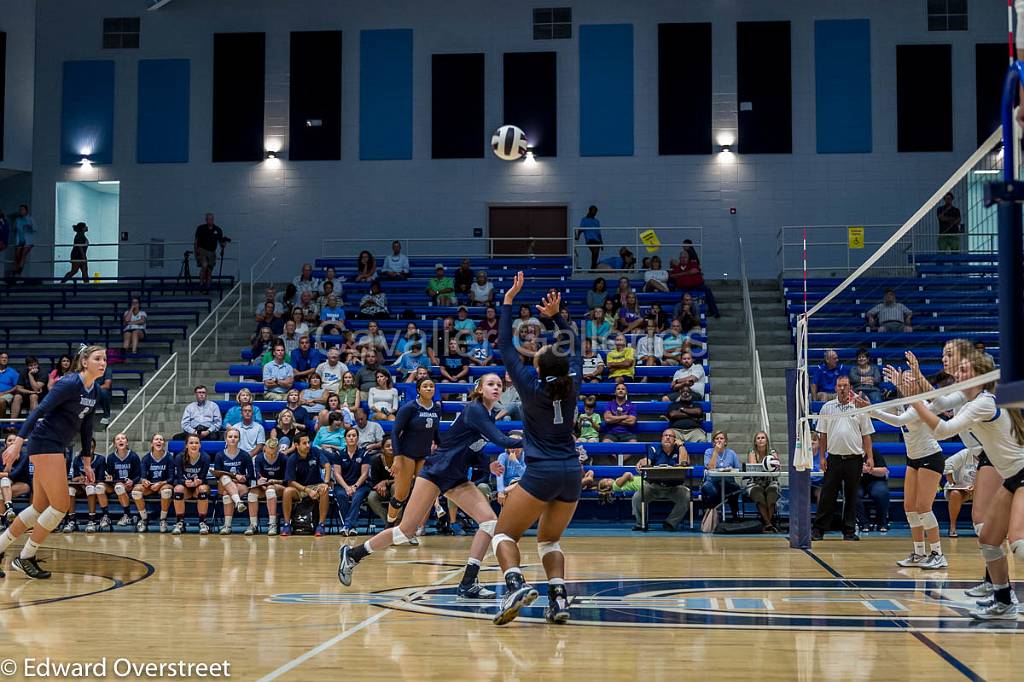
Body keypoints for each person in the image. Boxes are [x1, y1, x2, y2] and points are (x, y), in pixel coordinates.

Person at [338, 373, 519, 600]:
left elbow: (471, 448)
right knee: (405, 531)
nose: (496, 387)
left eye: (499, 385)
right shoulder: (475, 410)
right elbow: (502, 441)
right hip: (436, 471)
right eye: (491, 384)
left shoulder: (488, 415)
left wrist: (488, 465)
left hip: (455, 476)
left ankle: (468, 582)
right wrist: (535, 440)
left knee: (490, 522)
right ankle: (353, 554)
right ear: (480, 389)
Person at [488, 276, 584, 625]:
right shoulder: (573, 382)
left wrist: (509, 300)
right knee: (548, 541)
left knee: (503, 534)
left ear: (539, 367)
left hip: (541, 471)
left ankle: (515, 584)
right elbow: (576, 349)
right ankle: (558, 600)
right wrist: (557, 318)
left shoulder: (529, 386)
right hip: (571, 474)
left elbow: (503, 344)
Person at [910, 351, 1024, 619]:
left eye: (963, 370)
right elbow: (942, 401)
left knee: (1017, 541)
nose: (957, 375)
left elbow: (943, 430)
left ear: (978, 376)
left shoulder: (983, 402)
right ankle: (1004, 602)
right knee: (988, 538)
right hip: (1011, 477)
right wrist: (916, 385)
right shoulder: (969, 396)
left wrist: (916, 404)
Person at [0, 345, 105, 578]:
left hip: (57, 446)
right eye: (98, 358)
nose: (103, 362)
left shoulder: (95, 391)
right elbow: (38, 412)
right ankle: (26, 556)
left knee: (39, 507)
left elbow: (87, 427)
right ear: (85, 362)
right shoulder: (68, 383)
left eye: (105, 359)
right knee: (59, 506)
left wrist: (87, 462)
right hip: (44, 442)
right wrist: (18, 442)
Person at [855, 366, 945, 566]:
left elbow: (898, 422)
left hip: (931, 456)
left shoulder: (922, 405)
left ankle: (938, 554)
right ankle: (919, 553)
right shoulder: (901, 403)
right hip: (913, 459)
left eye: (907, 379)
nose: (903, 382)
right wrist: (866, 406)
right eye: (901, 379)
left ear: (915, 383)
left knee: (923, 507)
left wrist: (871, 410)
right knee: (910, 507)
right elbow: (882, 412)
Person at [811, 376, 875, 542]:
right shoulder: (827, 408)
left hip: (854, 459)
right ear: (835, 388)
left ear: (850, 387)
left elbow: (866, 434)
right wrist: (822, 458)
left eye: (845, 386)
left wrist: (870, 457)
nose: (842, 388)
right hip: (833, 458)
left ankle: (849, 531)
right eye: (839, 386)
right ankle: (818, 530)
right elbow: (822, 435)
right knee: (827, 496)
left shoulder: (859, 407)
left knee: (852, 496)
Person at [632, 430, 690, 532]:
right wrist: (641, 463)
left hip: (674, 487)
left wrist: (681, 446)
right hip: (654, 486)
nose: (667, 437)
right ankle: (641, 523)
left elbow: (684, 463)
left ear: (675, 440)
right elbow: (647, 460)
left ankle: (671, 523)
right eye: (665, 435)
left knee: (687, 495)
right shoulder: (654, 449)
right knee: (637, 497)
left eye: (670, 436)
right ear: (661, 438)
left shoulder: (680, 450)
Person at [281, 433, 332, 537]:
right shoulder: (292, 459)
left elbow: (327, 465)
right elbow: (290, 482)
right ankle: (286, 525)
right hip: (300, 488)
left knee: (324, 489)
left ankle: (321, 525)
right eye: (304, 443)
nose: (308, 445)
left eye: (308, 442)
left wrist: (325, 482)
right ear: (296, 445)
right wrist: (307, 490)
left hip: (315, 485)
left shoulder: (315, 451)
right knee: (287, 491)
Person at [211, 427, 255, 535]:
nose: (233, 439)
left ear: (239, 439)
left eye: (235, 437)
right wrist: (233, 477)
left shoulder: (245, 455)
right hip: (223, 484)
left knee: (227, 494)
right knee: (225, 478)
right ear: (226, 438)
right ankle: (239, 502)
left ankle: (227, 526)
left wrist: (243, 477)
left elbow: (251, 475)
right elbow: (217, 475)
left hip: (240, 486)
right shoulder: (219, 455)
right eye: (230, 437)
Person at [329, 427, 371, 536]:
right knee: (341, 495)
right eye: (349, 436)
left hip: (360, 485)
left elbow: (364, 474)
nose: (351, 438)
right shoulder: (338, 454)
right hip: (343, 485)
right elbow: (337, 474)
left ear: (358, 438)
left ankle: (347, 525)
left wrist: (355, 486)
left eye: (354, 435)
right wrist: (347, 487)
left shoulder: (364, 454)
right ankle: (352, 527)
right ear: (345, 439)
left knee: (357, 496)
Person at [171, 434, 211, 535]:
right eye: (191, 443)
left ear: (200, 445)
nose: (194, 445)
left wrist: (199, 481)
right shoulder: (179, 457)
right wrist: (185, 482)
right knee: (178, 489)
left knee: (203, 489)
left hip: (199, 487)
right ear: (186, 445)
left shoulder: (205, 457)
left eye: (196, 443)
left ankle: (202, 522)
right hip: (186, 488)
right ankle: (180, 522)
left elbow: (203, 477)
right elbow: (179, 477)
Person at [134, 433, 175, 533]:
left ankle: (163, 519)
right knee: (136, 491)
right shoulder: (146, 458)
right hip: (150, 486)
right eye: (156, 439)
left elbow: (171, 478)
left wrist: (160, 484)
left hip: (163, 485)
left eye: (161, 440)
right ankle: (144, 519)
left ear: (164, 443)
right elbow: (142, 476)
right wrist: (144, 481)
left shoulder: (169, 457)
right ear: (152, 443)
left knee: (167, 490)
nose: (159, 441)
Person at [700, 431, 742, 522]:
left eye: (721, 438)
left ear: (725, 442)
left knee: (736, 488)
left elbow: (738, 469)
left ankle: (735, 515)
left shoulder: (731, 453)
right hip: (712, 481)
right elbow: (710, 468)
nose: (719, 440)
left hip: (727, 481)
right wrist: (715, 451)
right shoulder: (708, 452)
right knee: (708, 488)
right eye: (716, 438)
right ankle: (712, 516)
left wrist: (730, 469)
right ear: (713, 442)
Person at [104, 432, 143, 528]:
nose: (120, 440)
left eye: (123, 438)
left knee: (119, 487)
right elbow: (110, 474)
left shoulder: (133, 456)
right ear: (114, 444)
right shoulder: (111, 458)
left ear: (127, 442)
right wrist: (109, 478)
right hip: (116, 485)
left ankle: (126, 515)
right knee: (116, 487)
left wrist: (132, 481)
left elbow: (139, 475)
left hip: (130, 485)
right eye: (118, 439)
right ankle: (126, 515)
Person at [746, 431, 780, 531]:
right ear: (755, 442)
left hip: (771, 482)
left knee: (771, 496)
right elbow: (754, 468)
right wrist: (767, 466)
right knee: (759, 496)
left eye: (763, 438)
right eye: (758, 438)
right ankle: (769, 523)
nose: (761, 440)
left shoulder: (772, 452)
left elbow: (777, 466)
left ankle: (767, 523)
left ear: (767, 440)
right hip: (755, 483)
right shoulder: (752, 452)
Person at [669, 250, 719, 318]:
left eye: (685, 257)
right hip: (682, 287)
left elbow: (695, 271)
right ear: (679, 258)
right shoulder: (676, 267)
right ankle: (677, 314)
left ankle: (714, 312)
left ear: (688, 258)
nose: (683, 259)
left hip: (697, 285)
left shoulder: (693, 263)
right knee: (674, 294)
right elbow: (672, 276)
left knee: (707, 290)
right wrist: (688, 273)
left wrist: (680, 274)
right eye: (681, 257)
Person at [252, 437, 287, 536]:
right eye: (269, 453)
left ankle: (272, 524)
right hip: (264, 486)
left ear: (278, 450)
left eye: (274, 453)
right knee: (252, 493)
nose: (271, 456)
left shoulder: (284, 458)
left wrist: (275, 481)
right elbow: (257, 476)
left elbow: (287, 480)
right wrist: (259, 481)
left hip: (280, 486)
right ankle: (253, 524)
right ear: (265, 449)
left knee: (270, 490)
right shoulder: (258, 458)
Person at [944, 447, 980, 538]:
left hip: (981, 490)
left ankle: (983, 527)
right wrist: (953, 483)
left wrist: (977, 487)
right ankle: (952, 527)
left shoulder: (992, 456)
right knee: (955, 494)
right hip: (962, 490)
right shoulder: (965, 453)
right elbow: (947, 465)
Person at [854, 448, 890, 534]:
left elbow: (884, 471)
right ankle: (864, 523)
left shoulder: (874, 452)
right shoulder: (851, 453)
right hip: (857, 482)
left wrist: (870, 470)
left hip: (875, 480)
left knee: (880, 492)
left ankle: (882, 522)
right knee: (853, 494)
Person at [0, 433, 31, 525]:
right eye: (9, 441)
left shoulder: (24, 456)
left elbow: (14, 474)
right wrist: (9, 462)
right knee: (3, 485)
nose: (12, 443)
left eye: (14, 441)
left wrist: (9, 464)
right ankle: (9, 510)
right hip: (6, 485)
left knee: (3, 486)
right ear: (5, 444)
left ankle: (2, 521)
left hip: (23, 484)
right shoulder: (0, 456)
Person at [193, 212, 225, 293]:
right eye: (209, 219)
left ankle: (208, 286)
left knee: (210, 269)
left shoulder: (218, 230)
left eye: (212, 219)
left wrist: (223, 244)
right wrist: (196, 253)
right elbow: (196, 241)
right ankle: (201, 284)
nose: (210, 221)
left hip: (212, 252)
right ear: (206, 220)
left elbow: (220, 241)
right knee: (204, 265)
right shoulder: (201, 228)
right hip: (202, 250)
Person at [602, 383, 638, 448]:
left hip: (627, 433)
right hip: (611, 433)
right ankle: (615, 458)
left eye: (623, 389)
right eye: (618, 389)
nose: (620, 390)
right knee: (605, 444)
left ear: (626, 392)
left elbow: (631, 421)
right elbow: (607, 419)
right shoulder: (609, 404)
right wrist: (624, 416)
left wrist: (613, 419)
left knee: (634, 445)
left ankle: (622, 459)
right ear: (615, 392)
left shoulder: (631, 405)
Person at [495, 437, 527, 506]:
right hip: (507, 486)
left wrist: (515, 462)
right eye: (512, 447)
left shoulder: (526, 456)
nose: (515, 449)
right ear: (508, 448)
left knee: (520, 483)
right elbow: (500, 475)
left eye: (518, 447)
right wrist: (500, 491)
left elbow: (525, 476)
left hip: (523, 486)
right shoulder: (503, 456)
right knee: (510, 493)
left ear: (522, 447)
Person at [576, 205, 602, 270]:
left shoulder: (597, 221)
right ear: (590, 211)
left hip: (597, 240)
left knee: (595, 255)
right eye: (594, 211)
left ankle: (592, 269)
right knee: (595, 252)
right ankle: (593, 268)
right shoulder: (584, 220)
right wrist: (577, 236)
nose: (595, 213)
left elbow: (599, 233)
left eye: (596, 211)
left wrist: (602, 243)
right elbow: (580, 230)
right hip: (590, 239)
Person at [12, 204, 34, 278]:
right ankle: (16, 272)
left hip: (28, 241)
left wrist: (29, 227)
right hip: (20, 241)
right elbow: (14, 229)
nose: (21, 211)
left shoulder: (30, 219)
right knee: (17, 256)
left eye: (22, 209)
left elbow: (35, 229)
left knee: (23, 254)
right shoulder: (17, 220)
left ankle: (18, 272)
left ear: (26, 211)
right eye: (20, 209)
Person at [0, 352, 19, 419]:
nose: (4, 359)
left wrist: (4, 393)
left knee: (1, 401)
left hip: (7, 394)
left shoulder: (13, 372)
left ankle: (2, 425)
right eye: (2, 357)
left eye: (6, 358)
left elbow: (17, 386)